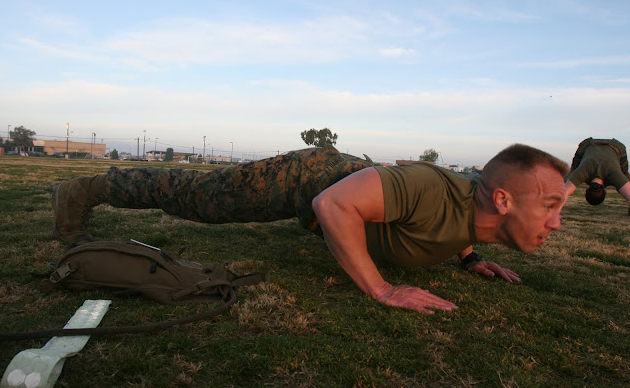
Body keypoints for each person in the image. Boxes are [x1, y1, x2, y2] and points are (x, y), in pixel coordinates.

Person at [52, 144, 567, 314]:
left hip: (337, 189)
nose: (557, 223)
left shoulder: (476, 211)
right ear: (502, 199)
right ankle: (86, 190)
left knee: (201, 202)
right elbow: (332, 203)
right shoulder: (430, 187)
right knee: (199, 201)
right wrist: (383, 289)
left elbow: (458, 224)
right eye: (550, 205)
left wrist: (472, 258)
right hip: (306, 180)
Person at [563, 138, 630, 212]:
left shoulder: (614, 174)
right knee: (572, 172)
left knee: (624, 175)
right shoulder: (583, 172)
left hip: (616, 147)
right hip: (588, 145)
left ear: (605, 191)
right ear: (586, 190)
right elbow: (564, 193)